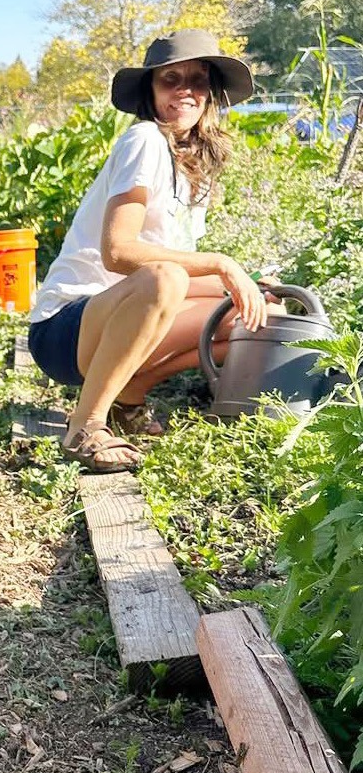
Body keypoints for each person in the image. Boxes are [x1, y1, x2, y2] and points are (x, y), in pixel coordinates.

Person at [28, 29, 270, 472]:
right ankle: (86, 424)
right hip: (64, 330)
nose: (185, 91)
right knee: (166, 278)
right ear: (151, 91)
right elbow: (118, 253)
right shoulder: (145, 142)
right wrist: (221, 263)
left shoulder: (189, 161)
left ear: (211, 93)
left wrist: (248, 283)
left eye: (197, 80)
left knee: (250, 312)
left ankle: (128, 398)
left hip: (116, 324)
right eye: (170, 79)